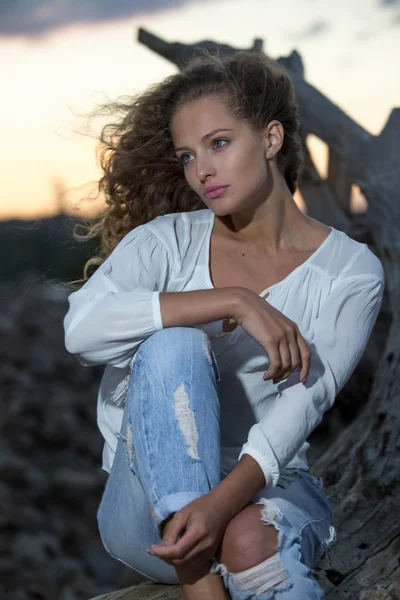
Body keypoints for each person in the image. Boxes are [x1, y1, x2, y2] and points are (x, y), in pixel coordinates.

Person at [63, 50, 384, 600]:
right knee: (175, 344)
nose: (201, 171)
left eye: (219, 143)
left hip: (266, 485)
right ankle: (198, 581)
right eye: (188, 156)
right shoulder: (167, 241)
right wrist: (232, 300)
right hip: (143, 504)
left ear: (272, 138)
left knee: (250, 544)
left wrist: (219, 506)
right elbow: (81, 330)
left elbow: (304, 405)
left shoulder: (349, 272)